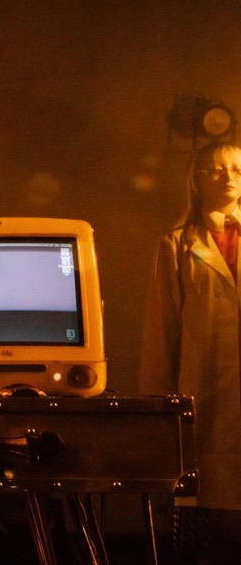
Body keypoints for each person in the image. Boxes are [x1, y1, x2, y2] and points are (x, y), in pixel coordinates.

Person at [141, 140, 241, 563]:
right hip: (205, 396)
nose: (228, 176)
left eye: (236, 168)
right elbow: (161, 334)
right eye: (215, 168)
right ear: (196, 180)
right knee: (211, 520)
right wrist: (158, 416)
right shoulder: (177, 244)